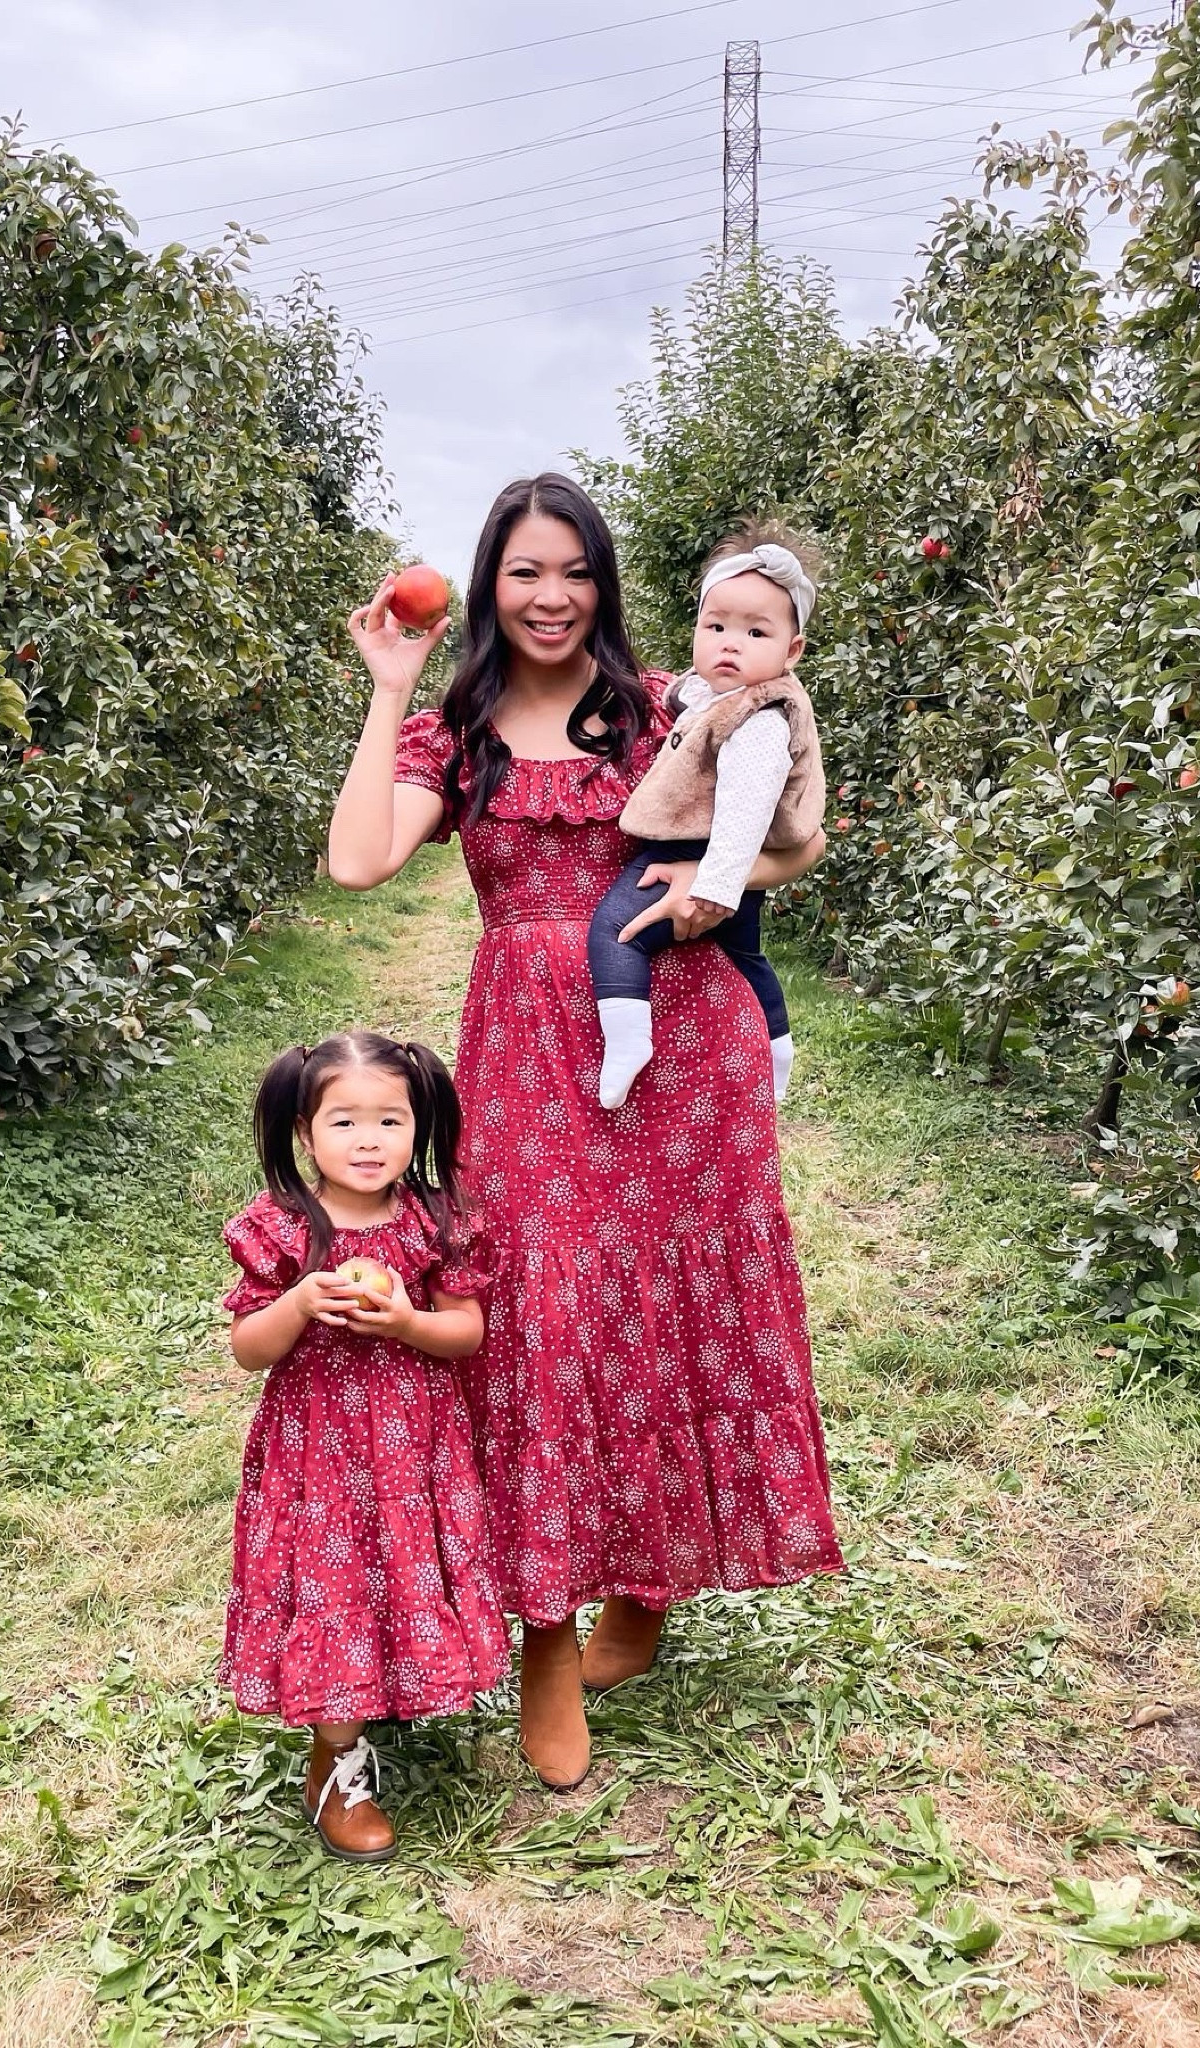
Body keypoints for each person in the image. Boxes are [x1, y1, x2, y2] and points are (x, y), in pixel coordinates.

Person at [328, 473, 842, 1795]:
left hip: (681, 1033)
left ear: (603, 585)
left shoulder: (664, 705)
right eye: (524, 571)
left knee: (659, 1308)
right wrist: (389, 685)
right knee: (540, 1319)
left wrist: (715, 881)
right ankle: (545, 1637)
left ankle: (644, 1587)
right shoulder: (458, 731)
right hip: (527, 1053)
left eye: (574, 571)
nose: (550, 596)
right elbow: (358, 862)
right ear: (489, 585)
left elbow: (795, 834)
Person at [219, 1031, 507, 1863]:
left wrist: (407, 1322)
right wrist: (299, 1302)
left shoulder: (432, 1220)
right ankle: (334, 1760)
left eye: (391, 1120)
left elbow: (466, 1332)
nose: (369, 1140)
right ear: (304, 1133)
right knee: (335, 1581)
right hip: (319, 1452)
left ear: (419, 1127)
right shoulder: (282, 1228)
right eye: (344, 1122)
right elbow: (248, 1350)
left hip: (414, 1445)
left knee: (403, 1565)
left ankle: (391, 1682)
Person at [587, 524, 825, 1110]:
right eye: (715, 627)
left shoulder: (759, 720)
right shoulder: (718, 697)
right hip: (720, 862)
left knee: (616, 932)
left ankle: (627, 1040)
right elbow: (687, 699)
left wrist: (715, 887)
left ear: (792, 651)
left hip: (700, 856)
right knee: (745, 956)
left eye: (755, 632)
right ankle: (777, 1053)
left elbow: (745, 810)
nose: (730, 644)